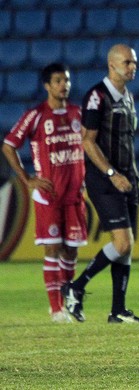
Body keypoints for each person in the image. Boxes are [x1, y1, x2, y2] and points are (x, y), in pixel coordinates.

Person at [63, 44, 139, 324]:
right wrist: (112, 173)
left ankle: (118, 310)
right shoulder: (97, 97)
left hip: (128, 178)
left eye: (134, 62)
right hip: (105, 179)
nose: (132, 67)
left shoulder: (127, 97)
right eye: (127, 62)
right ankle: (75, 286)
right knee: (122, 243)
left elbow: (127, 142)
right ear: (112, 65)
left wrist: (133, 176)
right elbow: (87, 141)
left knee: (128, 245)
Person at [2, 63, 86, 323]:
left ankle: (68, 302)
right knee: (53, 248)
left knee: (71, 252)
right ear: (47, 86)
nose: (65, 85)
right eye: (59, 81)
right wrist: (26, 178)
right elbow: (8, 145)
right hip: (48, 196)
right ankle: (56, 308)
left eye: (67, 80)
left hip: (74, 195)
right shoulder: (36, 115)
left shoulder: (78, 113)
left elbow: (90, 146)